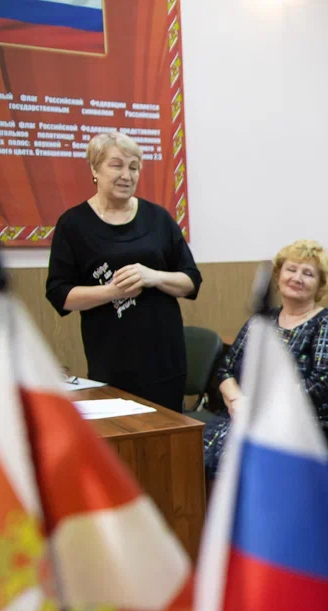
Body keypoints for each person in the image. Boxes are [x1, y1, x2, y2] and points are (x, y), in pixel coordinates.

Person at [45, 132, 201, 412]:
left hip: (164, 361)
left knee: (168, 434)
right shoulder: (73, 224)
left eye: (134, 167)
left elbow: (191, 281)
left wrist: (154, 276)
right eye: (116, 165)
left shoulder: (158, 218)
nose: (126, 175)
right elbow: (60, 294)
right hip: (111, 362)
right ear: (95, 169)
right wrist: (112, 291)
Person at [203, 240, 328, 478]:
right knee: (193, 448)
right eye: (291, 269)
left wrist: (260, 406)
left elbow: (322, 386)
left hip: (300, 427)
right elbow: (225, 369)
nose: (297, 278)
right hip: (245, 415)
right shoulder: (262, 320)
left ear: (320, 284)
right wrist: (237, 400)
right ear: (279, 276)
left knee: (231, 458)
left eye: (308, 273)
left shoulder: (327, 324)